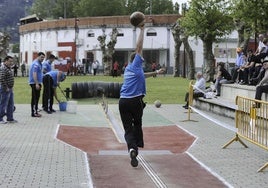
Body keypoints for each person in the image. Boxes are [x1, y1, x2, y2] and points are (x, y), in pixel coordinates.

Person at [119, 21, 165, 167]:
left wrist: (156, 73)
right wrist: (142, 30)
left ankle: (132, 148)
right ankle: (137, 145)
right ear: (136, 60)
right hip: (135, 101)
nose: (142, 61)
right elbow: (139, 47)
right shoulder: (136, 62)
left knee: (127, 128)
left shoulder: (129, 70)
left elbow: (143, 75)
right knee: (137, 124)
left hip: (123, 102)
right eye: (141, 60)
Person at [0, 56, 17, 124]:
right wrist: (6, 87)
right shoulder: (3, 68)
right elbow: (1, 78)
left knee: (11, 104)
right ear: (5, 61)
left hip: (10, 88)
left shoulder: (8, 68)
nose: (11, 63)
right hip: (5, 89)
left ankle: (10, 118)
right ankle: (0, 119)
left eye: (12, 61)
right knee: (3, 104)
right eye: (10, 61)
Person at [29, 52, 45, 117]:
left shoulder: (39, 63)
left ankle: (35, 110)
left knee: (37, 97)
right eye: (41, 57)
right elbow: (34, 74)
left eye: (43, 57)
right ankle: (33, 113)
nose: (42, 59)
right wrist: (36, 83)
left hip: (38, 83)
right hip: (34, 83)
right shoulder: (36, 64)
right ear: (38, 56)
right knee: (35, 98)